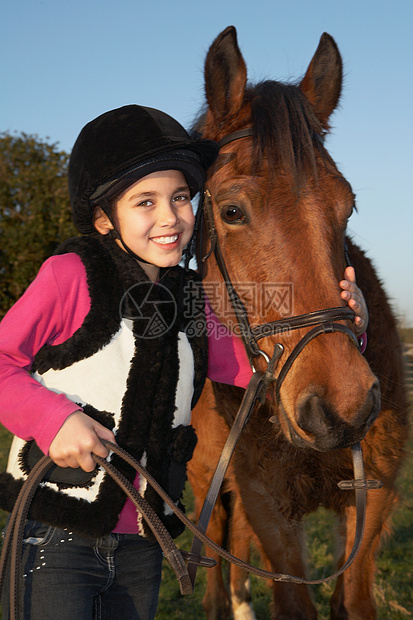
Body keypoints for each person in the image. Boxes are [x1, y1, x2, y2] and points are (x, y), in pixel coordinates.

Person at [0, 104, 368, 620]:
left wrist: (339, 329)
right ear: (105, 219)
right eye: (145, 202)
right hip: (58, 536)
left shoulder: (194, 300)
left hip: (146, 542)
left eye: (179, 198)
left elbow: (257, 369)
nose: (170, 217)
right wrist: (52, 419)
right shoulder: (70, 277)